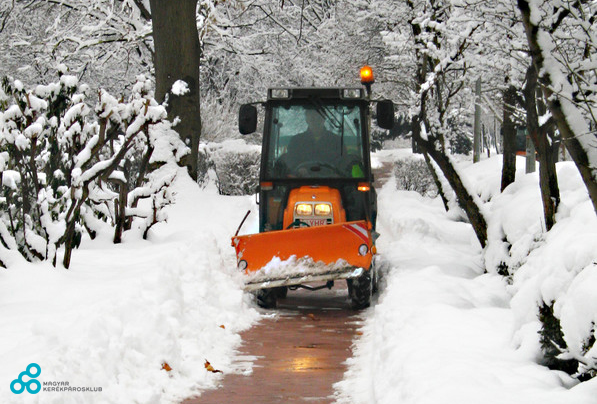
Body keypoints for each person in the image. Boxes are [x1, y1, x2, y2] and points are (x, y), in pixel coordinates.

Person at [283, 108, 346, 176]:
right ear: (307, 120)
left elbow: (343, 162)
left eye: (319, 118)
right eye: (312, 118)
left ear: (324, 119)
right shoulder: (295, 141)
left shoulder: (336, 141)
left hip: (332, 181)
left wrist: (336, 173)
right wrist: (298, 169)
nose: (315, 121)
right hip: (301, 181)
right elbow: (290, 161)